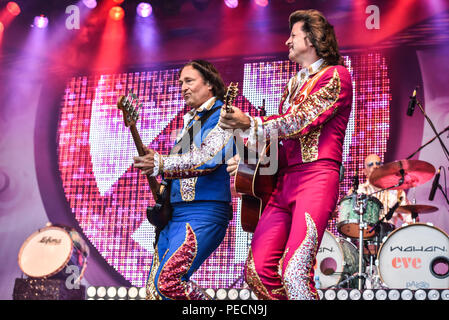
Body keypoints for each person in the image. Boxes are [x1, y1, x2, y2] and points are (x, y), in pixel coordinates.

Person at [220, 10, 352, 300]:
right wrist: (246, 158)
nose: (286, 41)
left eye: (293, 35)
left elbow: (298, 122)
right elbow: (278, 140)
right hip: (284, 183)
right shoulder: (294, 84)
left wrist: (249, 122)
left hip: (316, 178)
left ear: (313, 38)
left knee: (294, 272)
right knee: (257, 272)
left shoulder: (336, 76)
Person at [133, 60, 235, 300]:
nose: (183, 87)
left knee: (168, 282)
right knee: (154, 293)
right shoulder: (190, 120)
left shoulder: (224, 114)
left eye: (189, 81)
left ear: (209, 83)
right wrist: (160, 183)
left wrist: (160, 163)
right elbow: (179, 169)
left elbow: (207, 159)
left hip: (203, 212)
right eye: (181, 83)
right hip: (174, 215)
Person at [351, 154, 413, 231]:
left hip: (389, 237)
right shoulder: (359, 191)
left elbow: (409, 218)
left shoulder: (396, 191)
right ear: (365, 172)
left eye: (378, 163)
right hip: (363, 234)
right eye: (370, 164)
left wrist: (410, 223)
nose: (375, 166)